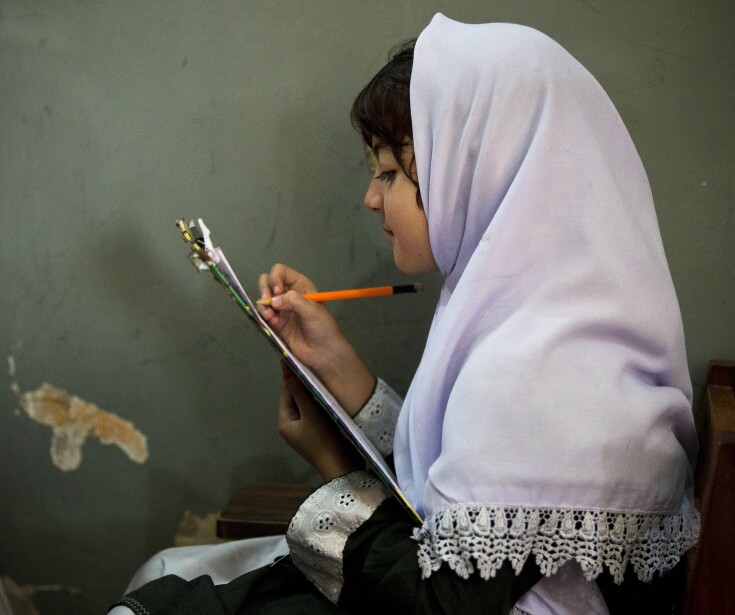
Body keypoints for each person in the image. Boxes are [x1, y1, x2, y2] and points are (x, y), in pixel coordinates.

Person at [109, 13, 699, 615]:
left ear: (479, 169)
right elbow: (451, 495)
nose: (372, 198)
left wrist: (334, 465)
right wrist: (339, 370)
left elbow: (433, 601)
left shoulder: (541, 372)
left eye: (389, 172)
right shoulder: (557, 326)